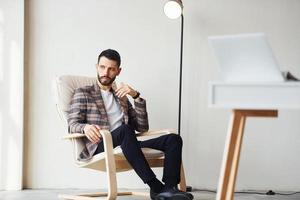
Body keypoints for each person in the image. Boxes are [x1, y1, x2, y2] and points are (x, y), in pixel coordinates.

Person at [67, 49, 193, 200]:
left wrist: (136, 96)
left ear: (118, 71)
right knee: (125, 130)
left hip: (128, 144)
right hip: (102, 144)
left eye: (111, 69)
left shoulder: (121, 97)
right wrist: (85, 127)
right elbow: (72, 123)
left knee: (173, 139)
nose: (105, 72)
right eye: (102, 67)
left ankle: (170, 188)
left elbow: (142, 127)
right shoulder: (83, 92)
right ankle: (156, 186)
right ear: (96, 67)